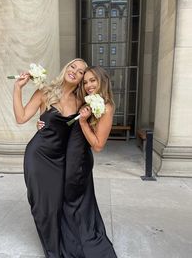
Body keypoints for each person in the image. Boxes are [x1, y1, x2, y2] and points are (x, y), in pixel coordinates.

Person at [38, 66, 118, 257]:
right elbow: (66, 121)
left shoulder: (106, 107)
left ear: (102, 81)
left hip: (78, 161)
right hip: (67, 156)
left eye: (93, 81)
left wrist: (83, 122)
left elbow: (98, 145)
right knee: (71, 200)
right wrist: (43, 122)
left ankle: (76, 243)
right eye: (86, 81)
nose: (88, 85)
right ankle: (68, 238)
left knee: (73, 200)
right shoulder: (85, 101)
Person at [13, 58, 87, 258]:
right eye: (73, 66)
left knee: (56, 204)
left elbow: (76, 132)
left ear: (82, 79)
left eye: (80, 71)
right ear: (66, 68)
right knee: (41, 205)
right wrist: (18, 89)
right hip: (38, 155)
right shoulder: (45, 92)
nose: (75, 71)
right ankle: (52, 251)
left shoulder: (80, 102)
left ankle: (61, 243)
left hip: (60, 159)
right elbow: (21, 118)